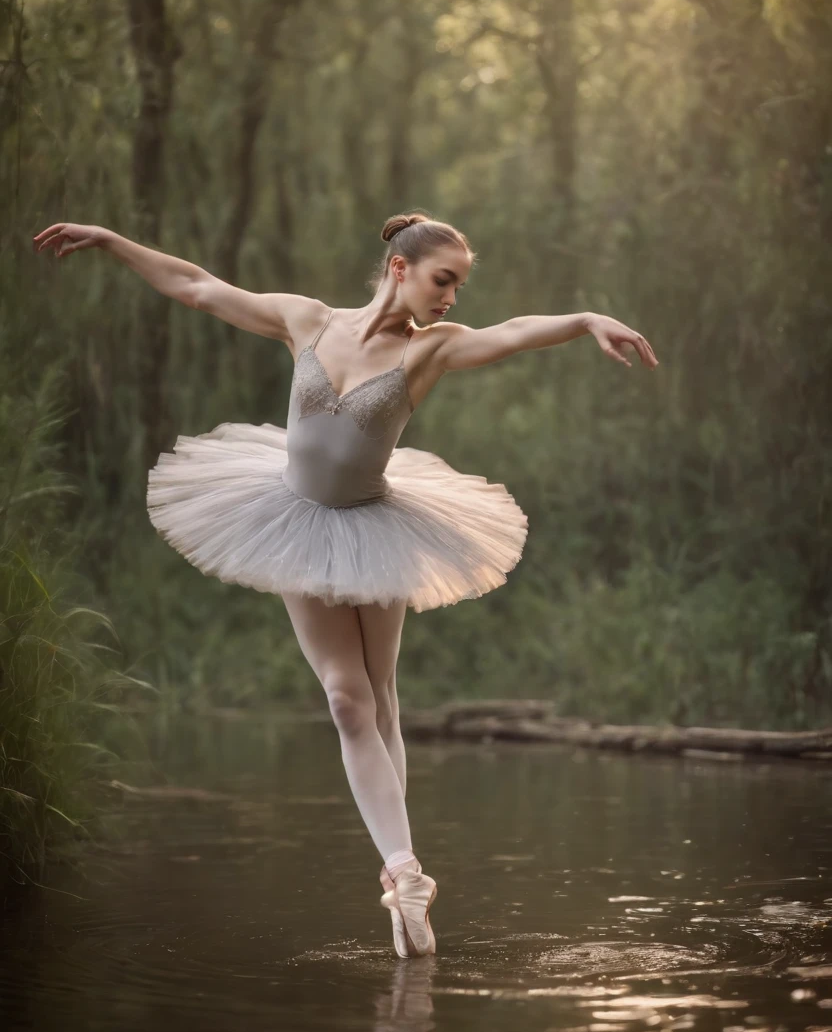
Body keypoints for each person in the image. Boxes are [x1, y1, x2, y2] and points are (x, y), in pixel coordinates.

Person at [32, 212, 659, 957]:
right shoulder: (308, 321)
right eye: (443, 279)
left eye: (459, 284)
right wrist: (110, 241)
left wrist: (587, 318)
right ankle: (407, 873)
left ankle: (402, 890)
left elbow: (518, 329)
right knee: (345, 697)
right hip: (293, 518)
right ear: (399, 268)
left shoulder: (432, 351)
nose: (453, 297)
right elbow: (198, 286)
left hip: (375, 525)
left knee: (382, 695)